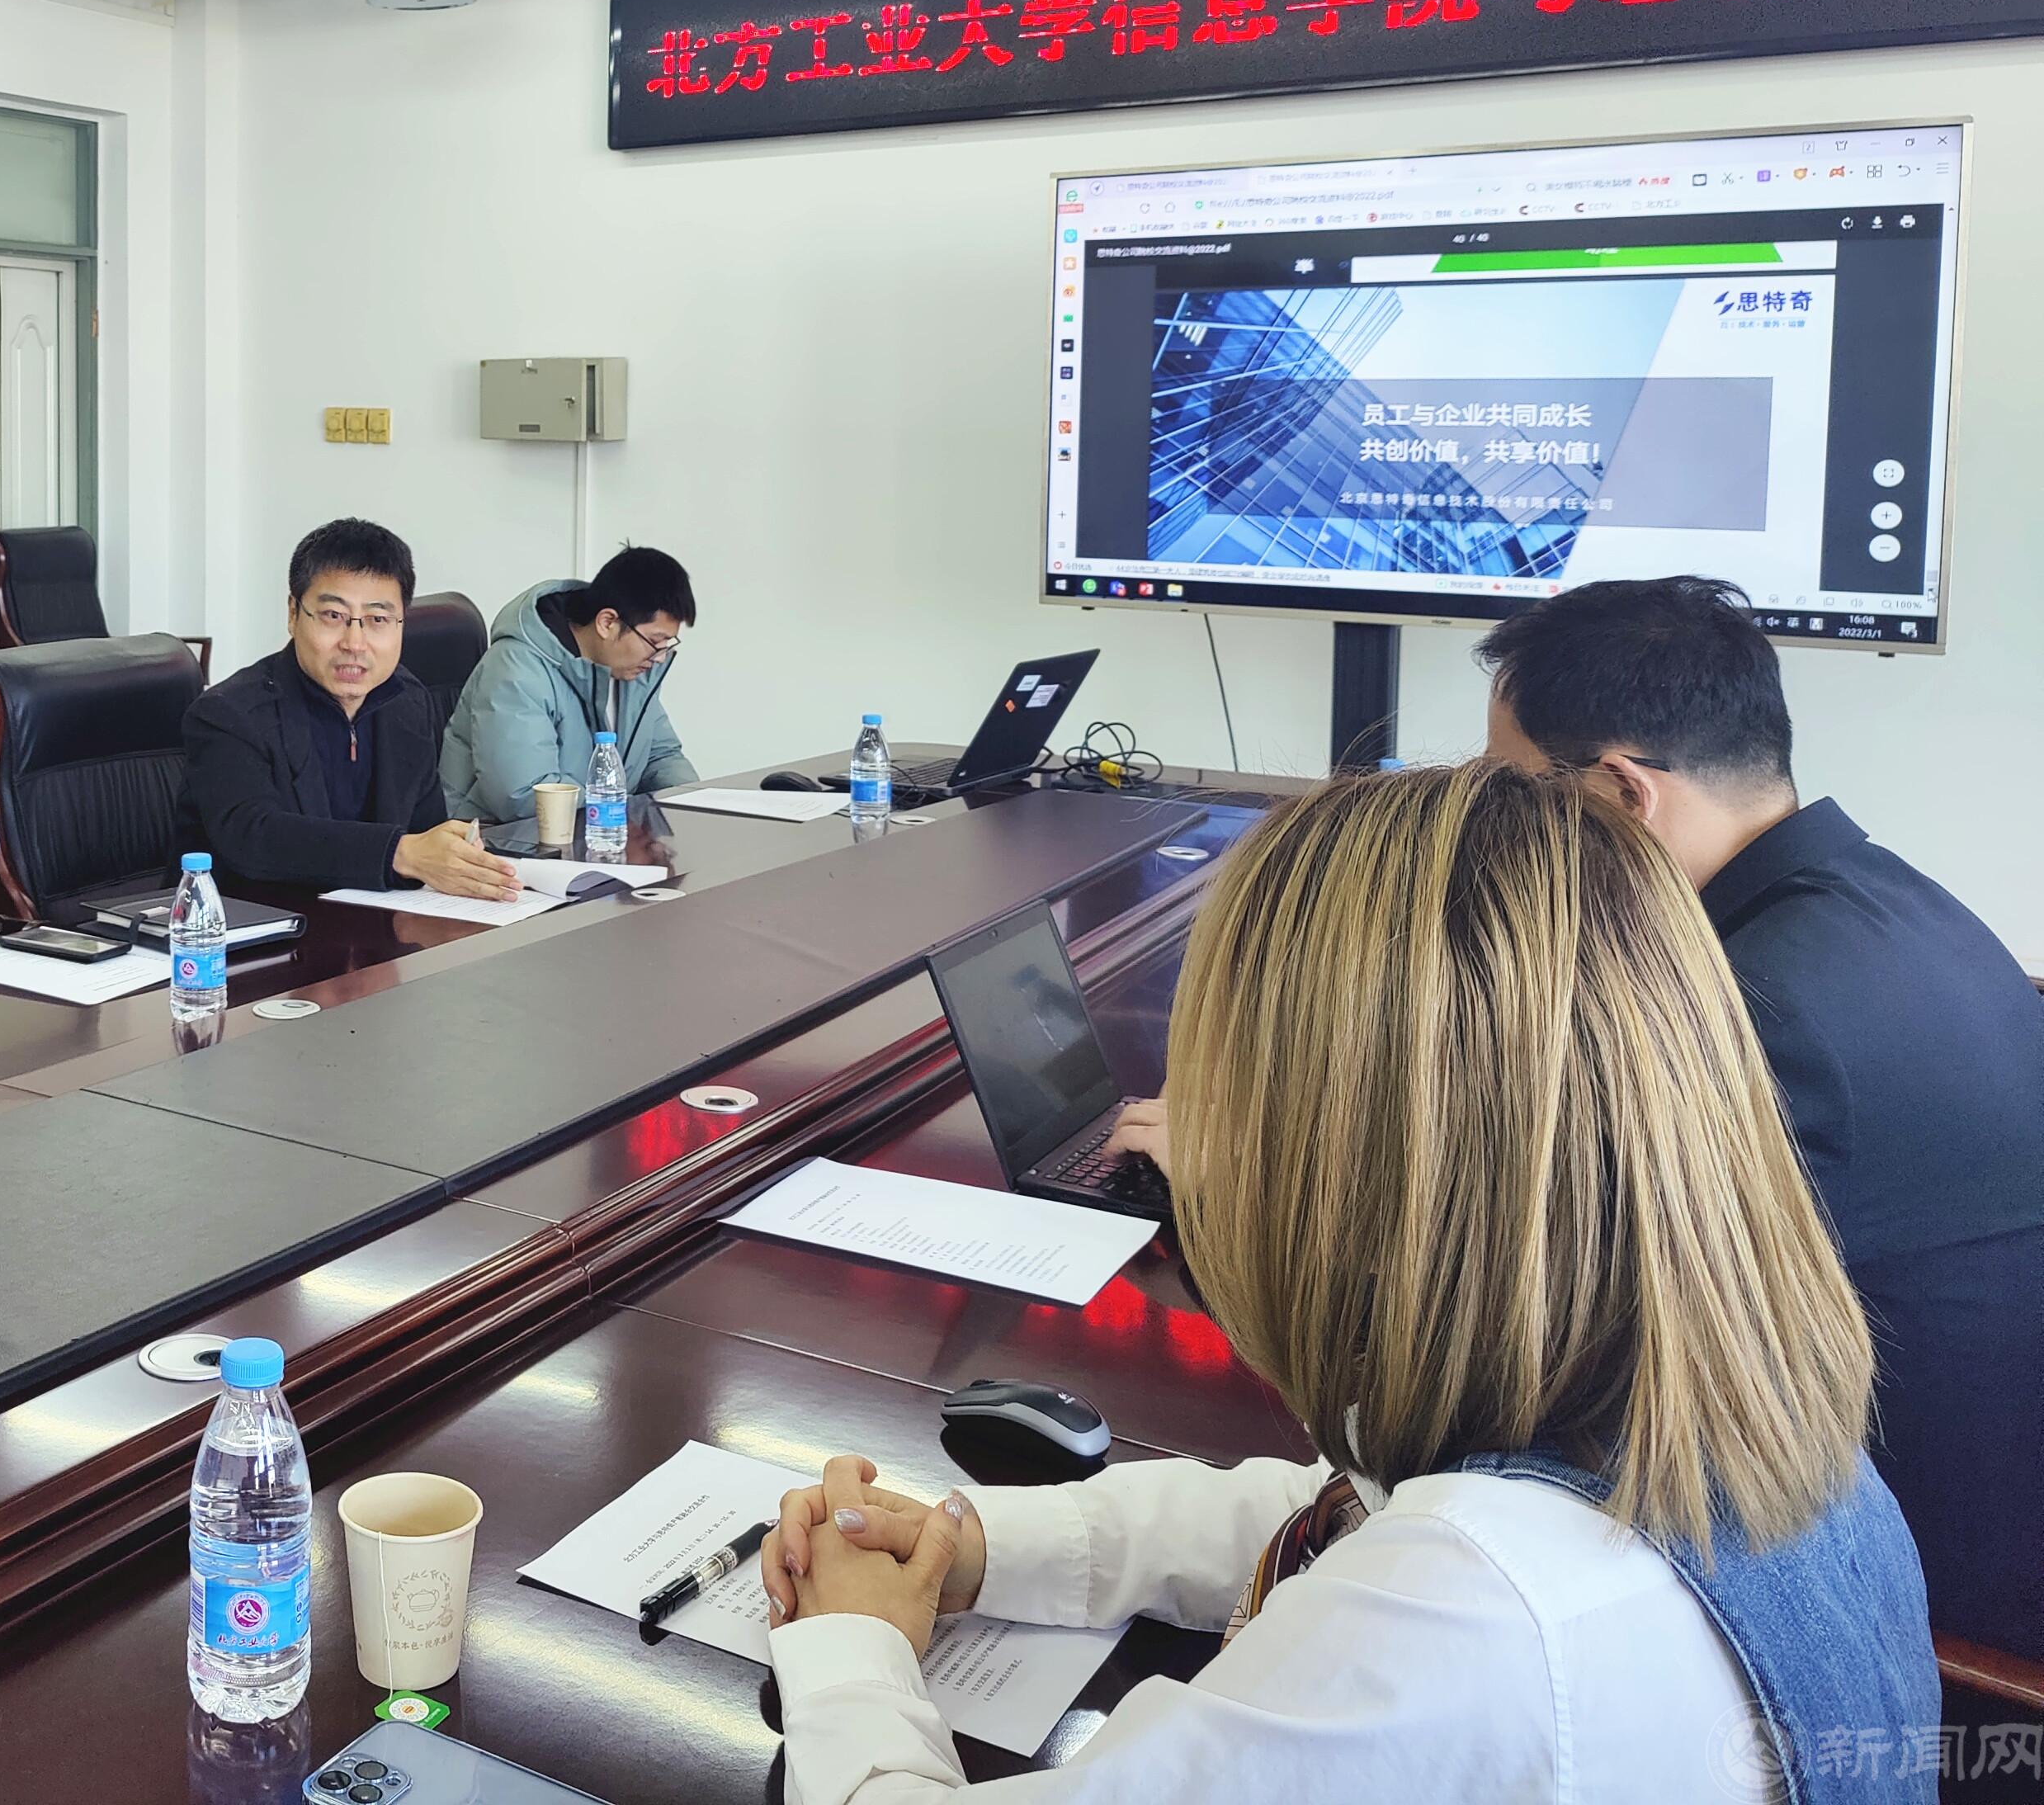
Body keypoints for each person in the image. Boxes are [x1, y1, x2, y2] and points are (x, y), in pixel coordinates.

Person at [756, 761, 1933, 1803]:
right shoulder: (1722, 1401)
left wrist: (850, 1645)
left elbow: (1407, 1585)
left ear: (1348, 1161)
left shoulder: (1471, 1629)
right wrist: (972, 1546)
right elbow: (1337, 1508)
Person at [1472, 574, 2043, 1656]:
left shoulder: (1758, 1007)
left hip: (1905, 1615)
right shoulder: (1883, 903)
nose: (1505, 833)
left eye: (1515, 796)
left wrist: (1263, 1173)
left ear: (1622, 792)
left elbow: (1546, 1312)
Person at [182, 518, 517, 900]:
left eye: (378, 620)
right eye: (333, 616)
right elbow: (254, 837)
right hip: (249, 923)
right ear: (293, 614)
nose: (354, 643)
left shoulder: (407, 700)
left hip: (376, 918)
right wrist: (399, 853)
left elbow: (425, 830)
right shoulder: (228, 714)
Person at [440, 544, 701, 824]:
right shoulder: (516, 670)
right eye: (655, 641)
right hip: (496, 837)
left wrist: (695, 808)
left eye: (667, 643)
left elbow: (661, 757)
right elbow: (524, 795)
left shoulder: (631, 673)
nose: (659, 657)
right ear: (607, 623)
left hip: (592, 830)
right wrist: (618, 816)